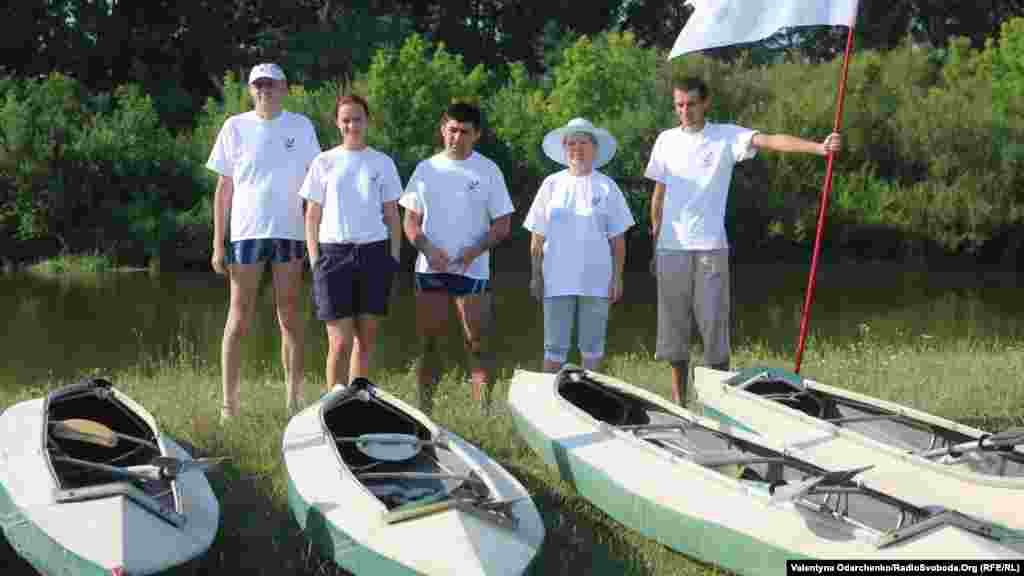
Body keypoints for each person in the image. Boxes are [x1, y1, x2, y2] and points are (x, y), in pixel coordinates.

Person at [645, 77, 841, 405]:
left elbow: (771, 140)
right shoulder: (665, 140)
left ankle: (719, 403)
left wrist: (819, 148)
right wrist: (655, 245)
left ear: (705, 103)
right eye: (679, 105)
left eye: (691, 104)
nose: (685, 111)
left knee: (714, 331)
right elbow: (658, 198)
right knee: (674, 333)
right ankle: (680, 403)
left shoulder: (726, 136)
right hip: (670, 249)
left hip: (710, 248)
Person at [206, 63, 321, 420]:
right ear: (251, 90)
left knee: (289, 317)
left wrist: (317, 238)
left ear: (284, 88)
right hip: (246, 233)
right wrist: (217, 243)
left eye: (271, 85)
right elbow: (224, 189)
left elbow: (316, 187)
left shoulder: (301, 127)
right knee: (237, 319)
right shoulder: (234, 127)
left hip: (290, 232)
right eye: (258, 85)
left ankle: (293, 401)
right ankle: (229, 405)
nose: (264, 91)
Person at [400, 102, 514, 409]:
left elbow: (503, 223)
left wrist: (473, 251)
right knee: (429, 343)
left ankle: (482, 410)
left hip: (472, 270)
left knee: (476, 343)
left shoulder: (488, 170)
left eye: (464, 131)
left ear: (476, 135)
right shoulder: (426, 168)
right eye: (452, 130)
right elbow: (410, 221)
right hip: (431, 269)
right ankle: (425, 409)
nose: (456, 137)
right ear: (442, 130)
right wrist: (427, 249)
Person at [299, 94, 402, 394]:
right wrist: (315, 259)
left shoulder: (381, 162)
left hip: (374, 254)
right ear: (337, 123)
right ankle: (334, 400)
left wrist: (393, 257)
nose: (351, 125)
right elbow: (311, 216)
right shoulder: (324, 162)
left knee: (365, 340)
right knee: (341, 342)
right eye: (346, 119)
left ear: (367, 121)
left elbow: (392, 215)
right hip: (333, 256)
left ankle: (359, 399)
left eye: (357, 119)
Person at [523, 118, 635, 373]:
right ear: (565, 149)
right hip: (555, 279)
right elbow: (537, 237)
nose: (577, 148)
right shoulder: (551, 184)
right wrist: (535, 276)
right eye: (571, 143)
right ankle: (548, 404)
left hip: (596, 280)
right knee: (553, 350)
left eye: (583, 142)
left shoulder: (608, 186)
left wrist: (617, 278)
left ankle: (591, 404)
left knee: (593, 349)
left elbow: (618, 240)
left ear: (594, 148)